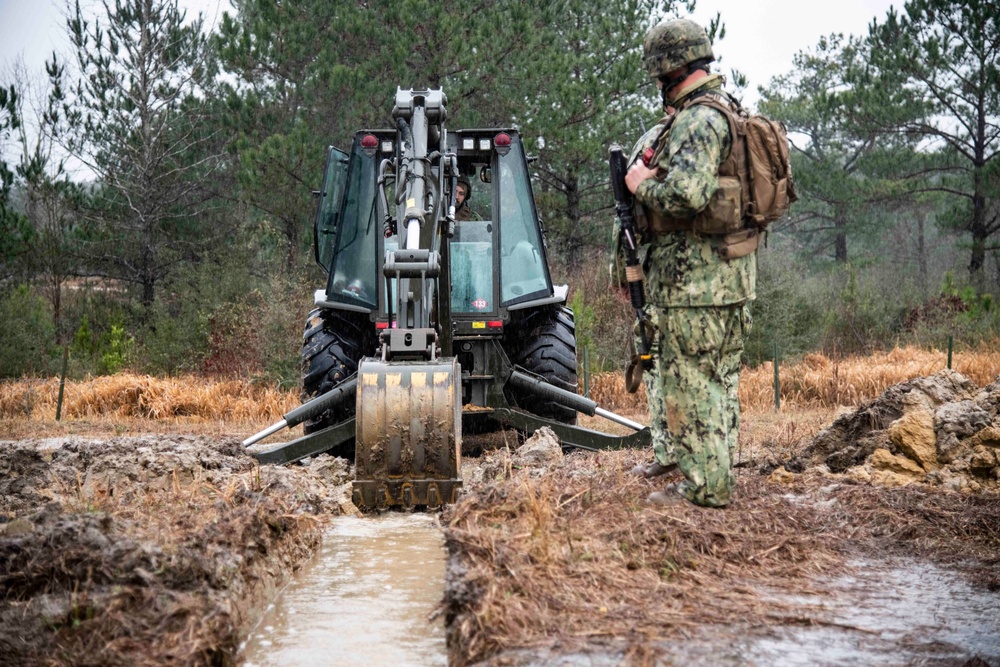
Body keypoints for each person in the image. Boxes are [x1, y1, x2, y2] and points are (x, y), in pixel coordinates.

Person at [624, 17, 756, 508]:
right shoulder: (725, 110)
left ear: (668, 68)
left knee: (691, 384)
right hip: (726, 280)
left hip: (696, 287)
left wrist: (639, 184)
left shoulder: (699, 119)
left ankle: (706, 490)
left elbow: (686, 195)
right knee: (717, 380)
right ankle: (718, 473)